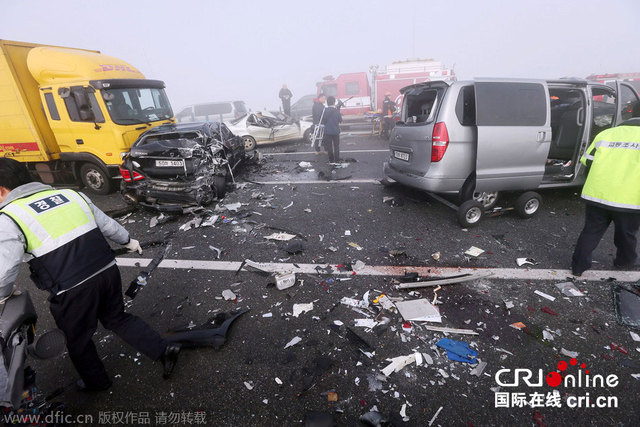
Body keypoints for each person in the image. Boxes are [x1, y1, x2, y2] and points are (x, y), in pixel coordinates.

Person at [0, 158, 180, 391]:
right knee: (117, 318)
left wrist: (3, 295)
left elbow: (5, 270)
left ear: (2, 189)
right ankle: (163, 350)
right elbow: (108, 225)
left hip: (71, 289)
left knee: (78, 340)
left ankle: (97, 383)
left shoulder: (9, 217)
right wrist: (128, 241)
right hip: (107, 271)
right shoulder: (70, 195)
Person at [571, 104, 640, 276]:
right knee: (626, 235)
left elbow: (587, 161)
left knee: (591, 231)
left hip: (597, 193)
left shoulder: (606, 134)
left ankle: (578, 267)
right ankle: (624, 262)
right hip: (629, 199)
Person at [321, 95, 342, 163]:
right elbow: (340, 120)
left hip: (327, 132)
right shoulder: (336, 111)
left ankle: (331, 160)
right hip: (335, 131)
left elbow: (322, 120)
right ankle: (337, 160)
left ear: (327, 102)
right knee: (336, 146)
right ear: (333, 102)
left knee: (329, 146)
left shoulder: (324, 110)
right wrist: (338, 110)